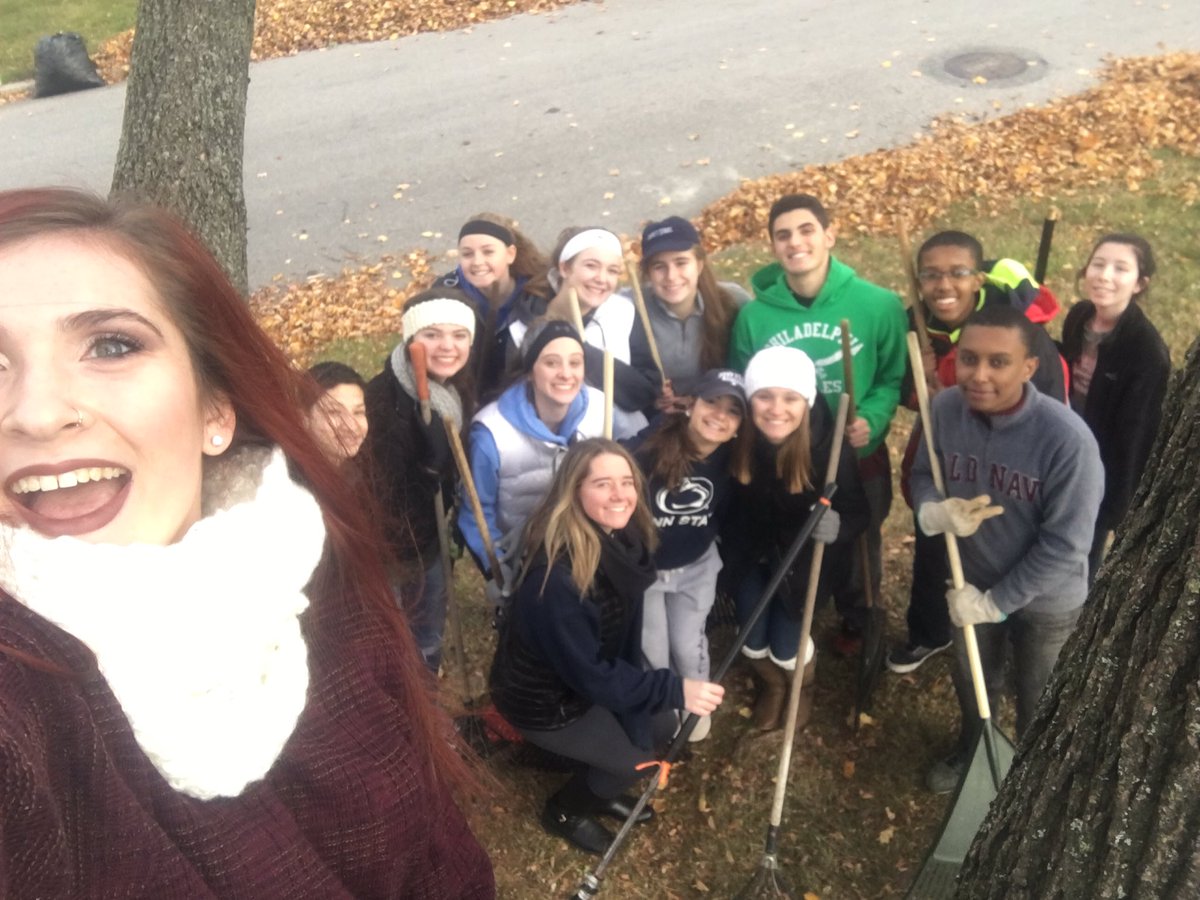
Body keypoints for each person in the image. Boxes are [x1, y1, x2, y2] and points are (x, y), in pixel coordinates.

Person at [0, 188, 493, 897]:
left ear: (214, 411)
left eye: (111, 345)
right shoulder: (21, 716)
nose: (39, 413)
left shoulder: (314, 577)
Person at [488, 439, 725, 854]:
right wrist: (673, 687)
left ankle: (600, 785)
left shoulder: (622, 538)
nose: (620, 495)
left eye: (627, 481)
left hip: (589, 678)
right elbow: (593, 678)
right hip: (546, 703)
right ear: (574, 492)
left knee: (664, 726)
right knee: (633, 762)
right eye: (602, 484)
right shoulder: (558, 581)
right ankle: (565, 810)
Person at [910, 304, 1103, 793]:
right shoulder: (943, 411)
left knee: (1040, 694)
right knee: (975, 682)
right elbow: (920, 476)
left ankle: (1034, 779)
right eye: (969, 359)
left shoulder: (1067, 441)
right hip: (968, 578)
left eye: (998, 362)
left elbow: (1067, 544)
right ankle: (976, 750)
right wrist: (934, 510)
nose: (979, 375)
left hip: (1046, 598)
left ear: (1029, 366)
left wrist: (994, 604)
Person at [730, 193, 906, 654]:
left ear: (829, 234)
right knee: (791, 535)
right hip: (785, 457)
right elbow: (744, 389)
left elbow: (891, 377)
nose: (796, 242)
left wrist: (873, 415)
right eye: (783, 235)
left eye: (807, 230)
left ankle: (857, 617)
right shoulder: (755, 317)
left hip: (855, 453)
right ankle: (793, 605)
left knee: (856, 539)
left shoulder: (878, 304)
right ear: (772, 246)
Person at [888, 230, 1067, 674]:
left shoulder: (1014, 332)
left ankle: (1003, 634)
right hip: (946, 457)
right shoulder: (917, 322)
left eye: (957, 273)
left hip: (1004, 464)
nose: (943, 286)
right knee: (935, 549)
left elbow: (1046, 403)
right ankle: (929, 633)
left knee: (999, 548)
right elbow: (907, 393)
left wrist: (950, 385)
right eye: (931, 275)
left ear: (978, 277)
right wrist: (922, 387)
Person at [723, 346, 868, 732]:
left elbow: (858, 510)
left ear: (807, 401)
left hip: (803, 561)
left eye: (791, 398)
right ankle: (772, 685)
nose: (776, 409)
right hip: (753, 552)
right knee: (750, 640)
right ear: (750, 399)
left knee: (789, 646)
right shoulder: (740, 439)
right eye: (764, 396)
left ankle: (800, 687)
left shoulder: (828, 447)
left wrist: (837, 524)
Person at [362, 288, 479, 671]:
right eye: (432, 335)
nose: (448, 346)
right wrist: (422, 471)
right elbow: (375, 495)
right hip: (388, 553)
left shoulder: (454, 389)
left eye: (459, 335)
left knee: (428, 637)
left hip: (429, 541)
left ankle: (428, 693)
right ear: (411, 340)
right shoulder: (380, 404)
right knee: (392, 642)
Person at [631, 369, 746, 742]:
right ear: (690, 405)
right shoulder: (652, 444)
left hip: (696, 565)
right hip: (645, 569)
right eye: (711, 401)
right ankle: (662, 712)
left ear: (740, 427)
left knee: (686, 642)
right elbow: (611, 460)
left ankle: (696, 706)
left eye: (732, 410)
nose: (719, 415)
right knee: (653, 647)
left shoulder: (735, 462)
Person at [457, 319, 605, 592]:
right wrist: (495, 568)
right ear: (529, 371)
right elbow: (477, 512)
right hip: (522, 555)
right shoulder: (492, 433)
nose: (566, 373)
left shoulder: (601, 409)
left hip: (587, 545)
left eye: (575, 362)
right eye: (551, 363)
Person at [1059, 233, 1170, 583]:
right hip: (1063, 447)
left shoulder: (1146, 352)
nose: (1104, 275)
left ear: (1140, 283)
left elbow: (1134, 435)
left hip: (1100, 468)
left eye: (1121, 269)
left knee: (1079, 553)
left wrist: (1114, 509)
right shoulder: (1079, 317)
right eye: (1098, 264)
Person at [538, 226, 661, 434]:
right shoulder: (525, 325)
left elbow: (646, 390)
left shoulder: (621, 311)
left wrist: (587, 354)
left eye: (612, 270)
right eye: (591, 266)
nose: (602, 278)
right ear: (565, 268)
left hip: (621, 441)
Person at [628, 216, 749, 409]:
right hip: (657, 419)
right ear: (648, 272)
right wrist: (650, 395)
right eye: (659, 266)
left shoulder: (733, 300)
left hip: (719, 412)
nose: (671, 276)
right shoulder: (628, 307)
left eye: (681, 262)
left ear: (699, 264)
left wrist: (695, 403)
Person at [433, 213, 551, 397]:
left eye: (488, 252)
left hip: (524, 395)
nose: (477, 262)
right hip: (464, 397)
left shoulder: (538, 293)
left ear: (510, 254)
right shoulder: (446, 295)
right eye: (467, 254)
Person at [306, 360, 369, 465]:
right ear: (303, 417)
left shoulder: (366, 465)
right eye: (334, 412)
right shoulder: (281, 476)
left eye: (358, 412)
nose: (351, 426)